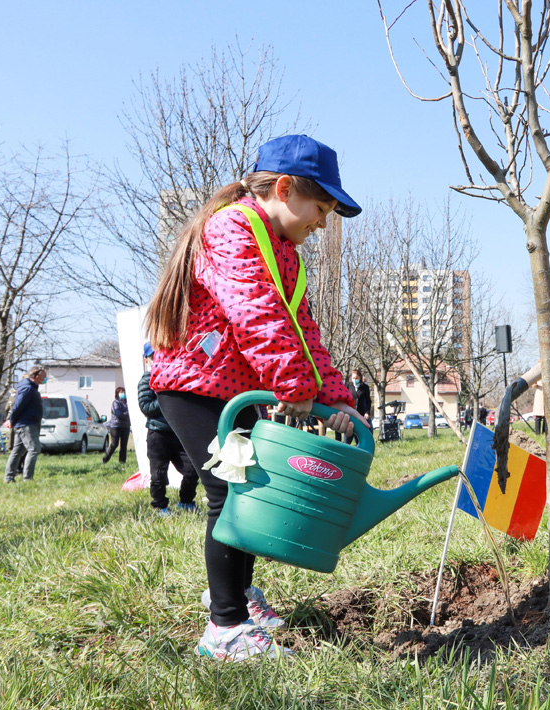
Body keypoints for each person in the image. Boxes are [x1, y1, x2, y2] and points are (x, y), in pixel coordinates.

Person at [145, 134, 365, 661]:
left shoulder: (284, 251)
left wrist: (337, 397)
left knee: (251, 488)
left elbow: (301, 327)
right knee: (230, 492)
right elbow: (256, 313)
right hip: (195, 384)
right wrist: (293, 385)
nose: (323, 222)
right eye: (321, 207)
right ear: (285, 189)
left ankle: (239, 598)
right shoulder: (231, 228)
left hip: (236, 391)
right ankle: (225, 628)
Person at [139, 343, 200, 517]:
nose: (158, 360)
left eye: (162, 355)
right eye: (154, 357)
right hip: (158, 434)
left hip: (179, 433)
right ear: (147, 360)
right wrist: (167, 398)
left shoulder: (176, 378)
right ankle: (160, 507)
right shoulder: (146, 380)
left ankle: (186, 502)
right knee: (158, 474)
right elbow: (146, 407)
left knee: (192, 468)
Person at [3, 366, 46, 483]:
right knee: (34, 449)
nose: (44, 379)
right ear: (36, 376)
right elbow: (17, 406)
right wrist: (11, 420)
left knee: (17, 451)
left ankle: (9, 478)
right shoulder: (27, 389)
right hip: (26, 424)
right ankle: (27, 478)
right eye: (43, 377)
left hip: (25, 423)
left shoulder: (31, 388)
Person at [102, 387, 131, 464]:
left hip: (126, 426)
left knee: (124, 445)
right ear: (117, 394)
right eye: (121, 392)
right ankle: (105, 460)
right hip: (116, 426)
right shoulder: (115, 403)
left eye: (124, 392)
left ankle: (122, 462)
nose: (123, 394)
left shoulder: (129, 403)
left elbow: (131, 413)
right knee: (114, 444)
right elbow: (118, 414)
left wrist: (125, 414)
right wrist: (127, 415)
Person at [346, 368, 372, 444]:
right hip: (350, 414)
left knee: (359, 437)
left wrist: (367, 412)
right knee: (348, 437)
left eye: (356, 378)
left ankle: (359, 450)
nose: (354, 380)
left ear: (360, 377)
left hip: (361, 414)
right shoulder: (348, 385)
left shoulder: (365, 387)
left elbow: (368, 401)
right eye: (353, 378)